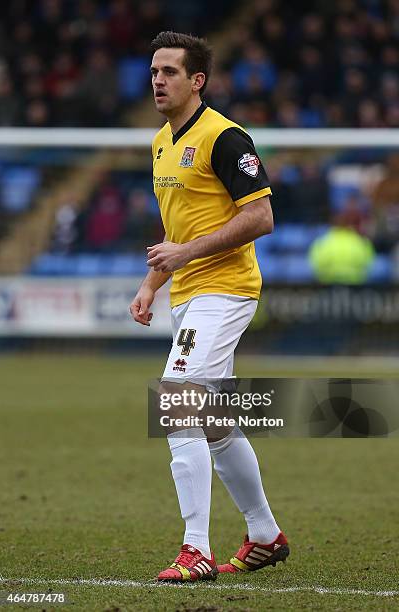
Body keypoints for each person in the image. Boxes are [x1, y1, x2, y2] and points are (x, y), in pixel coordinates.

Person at [130, 31, 289, 583]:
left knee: (176, 404)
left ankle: (194, 549)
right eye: (154, 70)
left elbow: (261, 217)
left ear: (197, 80)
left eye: (170, 71)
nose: (157, 79)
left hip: (227, 289)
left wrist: (183, 254)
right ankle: (265, 535)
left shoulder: (225, 137)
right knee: (215, 423)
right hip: (187, 293)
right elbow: (178, 229)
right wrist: (153, 281)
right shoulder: (160, 144)